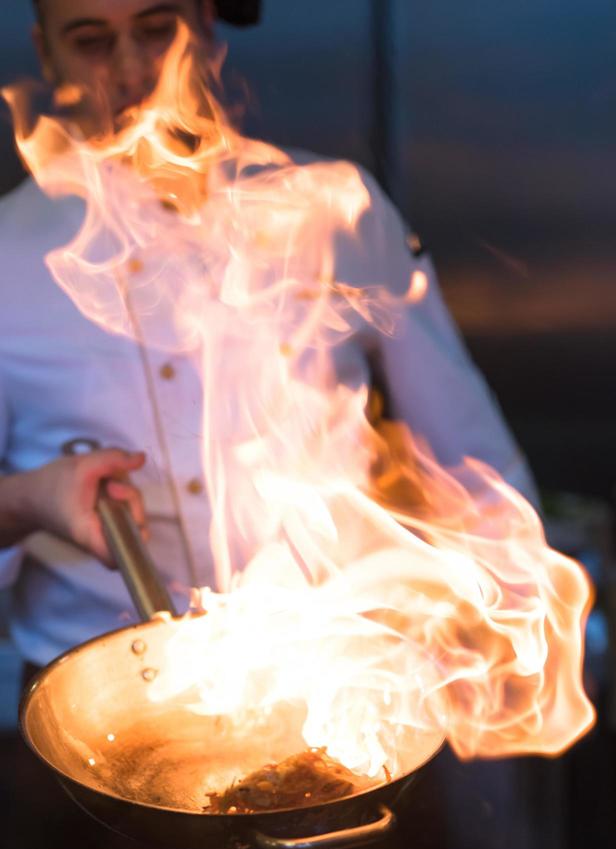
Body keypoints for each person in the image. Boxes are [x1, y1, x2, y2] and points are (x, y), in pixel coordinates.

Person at [0, 0, 537, 677]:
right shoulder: (5, 260)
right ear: (45, 52)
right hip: (96, 699)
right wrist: (31, 498)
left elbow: (474, 462)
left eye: (157, 28)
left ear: (204, 21)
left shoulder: (333, 208)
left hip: (337, 687)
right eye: (91, 41)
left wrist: (514, 626)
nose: (134, 68)